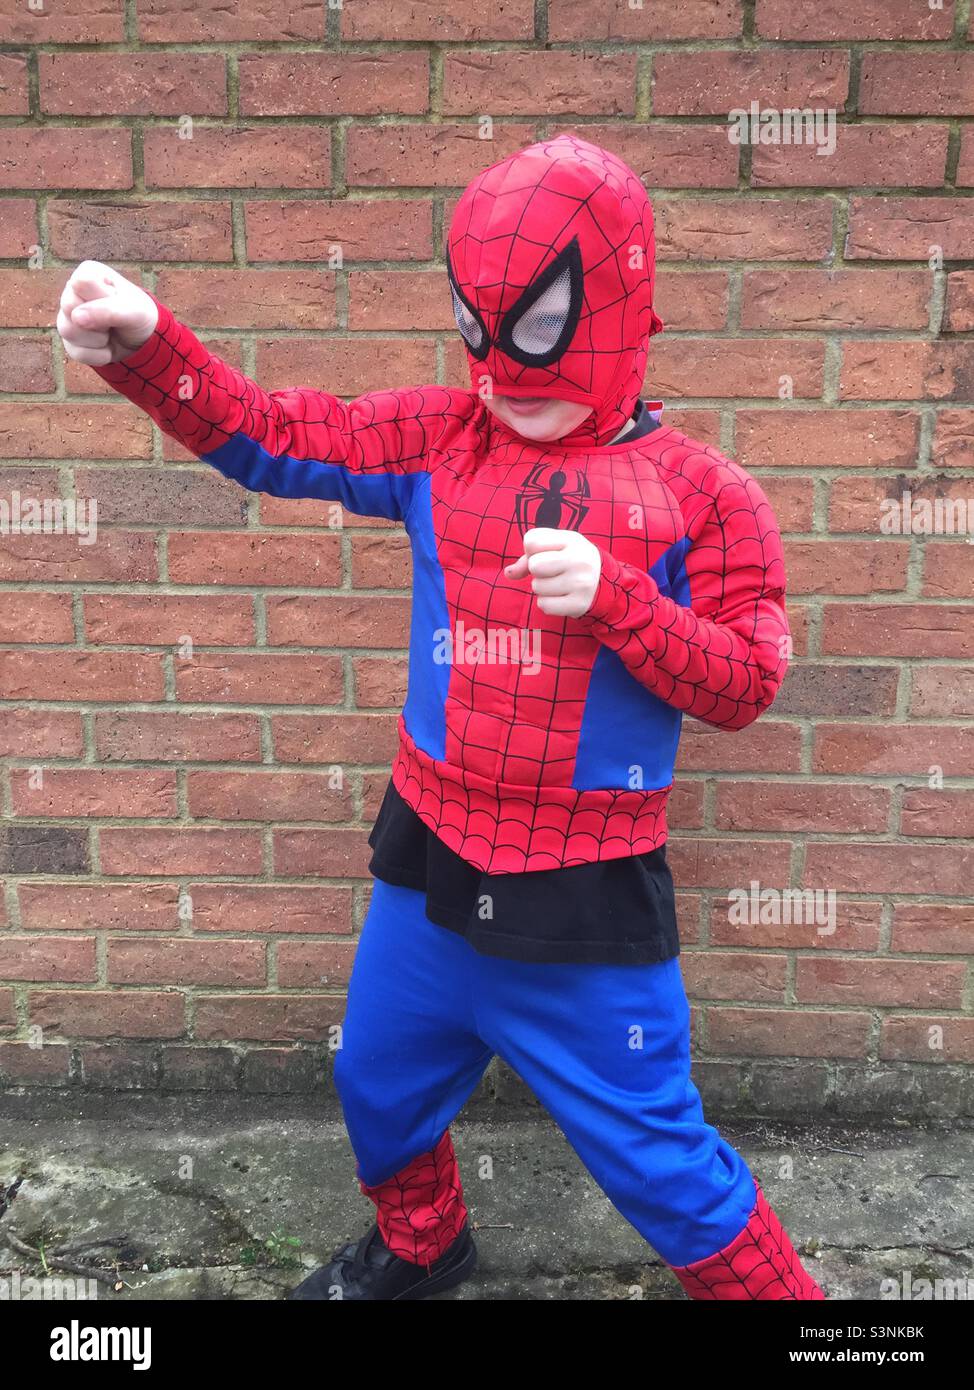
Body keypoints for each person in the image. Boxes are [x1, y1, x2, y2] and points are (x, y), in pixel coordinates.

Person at [57, 132, 825, 1302]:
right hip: (425, 864)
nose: (506, 374)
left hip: (582, 900)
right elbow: (279, 438)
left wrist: (619, 601)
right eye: (483, 330)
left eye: (537, 333)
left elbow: (745, 683)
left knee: (665, 1167)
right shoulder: (438, 437)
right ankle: (423, 1246)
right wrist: (151, 349)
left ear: (618, 305)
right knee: (376, 1079)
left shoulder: (706, 499)